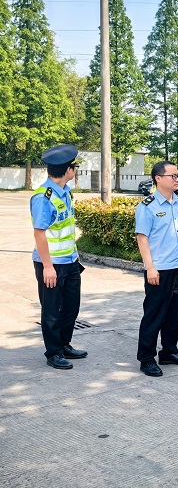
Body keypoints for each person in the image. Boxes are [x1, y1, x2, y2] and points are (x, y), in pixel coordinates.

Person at [135, 160, 178, 377]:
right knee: (154, 314)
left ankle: (169, 351)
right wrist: (150, 267)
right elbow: (142, 238)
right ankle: (146, 358)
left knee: (175, 313)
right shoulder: (147, 206)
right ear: (158, 178)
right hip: (159, 269)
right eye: (173, 176)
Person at [30, 144, 87, 370]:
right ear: (68, 170)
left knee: (71, 306)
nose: (75, 170)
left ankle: (64, 344)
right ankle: (53, 352)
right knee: (52, 311)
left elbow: (65, 228)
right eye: (75, 167)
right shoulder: (43, 197)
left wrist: (74, 252)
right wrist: (47, 266)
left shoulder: (66, 192)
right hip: (51, 264)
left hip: (70, 261)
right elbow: (39, 233)